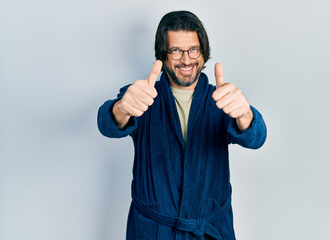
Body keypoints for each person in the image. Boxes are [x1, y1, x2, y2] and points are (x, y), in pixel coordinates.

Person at [97, 10, 267, 240]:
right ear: (163, 55)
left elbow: (256, 139)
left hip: (209, 232)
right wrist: (122, 107)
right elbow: (107, 124)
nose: (186, 59)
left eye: (193, 49)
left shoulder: (221, 99)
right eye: (176, 51)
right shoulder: (143, 96)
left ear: (203, 52)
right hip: (153, 232)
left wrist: (245, 113)